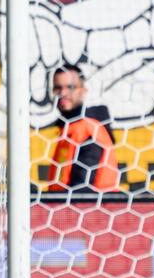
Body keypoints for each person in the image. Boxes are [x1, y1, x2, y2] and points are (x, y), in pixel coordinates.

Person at [47, 63, 120, 192]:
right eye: (58, 88)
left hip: (92, 209)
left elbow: (83, 188)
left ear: (83, 90)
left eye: (70, 87)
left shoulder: (88, 130)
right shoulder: (69, 129)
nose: (63, 93)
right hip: (65, 208)